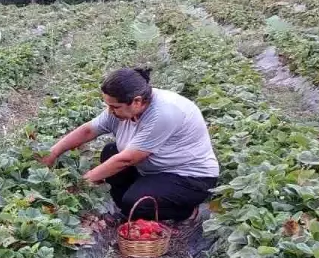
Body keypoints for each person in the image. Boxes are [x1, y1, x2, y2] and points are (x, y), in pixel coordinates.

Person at [42, 68, 219, 222]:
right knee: (110, 151)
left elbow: (126, 160)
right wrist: (53, 152)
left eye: (115, 107)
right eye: (108, 106)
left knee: (135, 203)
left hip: (189, 178)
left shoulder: (164, 113)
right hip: (154, 170)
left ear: (137, 101)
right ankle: (129, 208)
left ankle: (185, 212)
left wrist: (81, 184)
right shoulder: (123, 108)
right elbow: (89, 131)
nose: (110, 111)